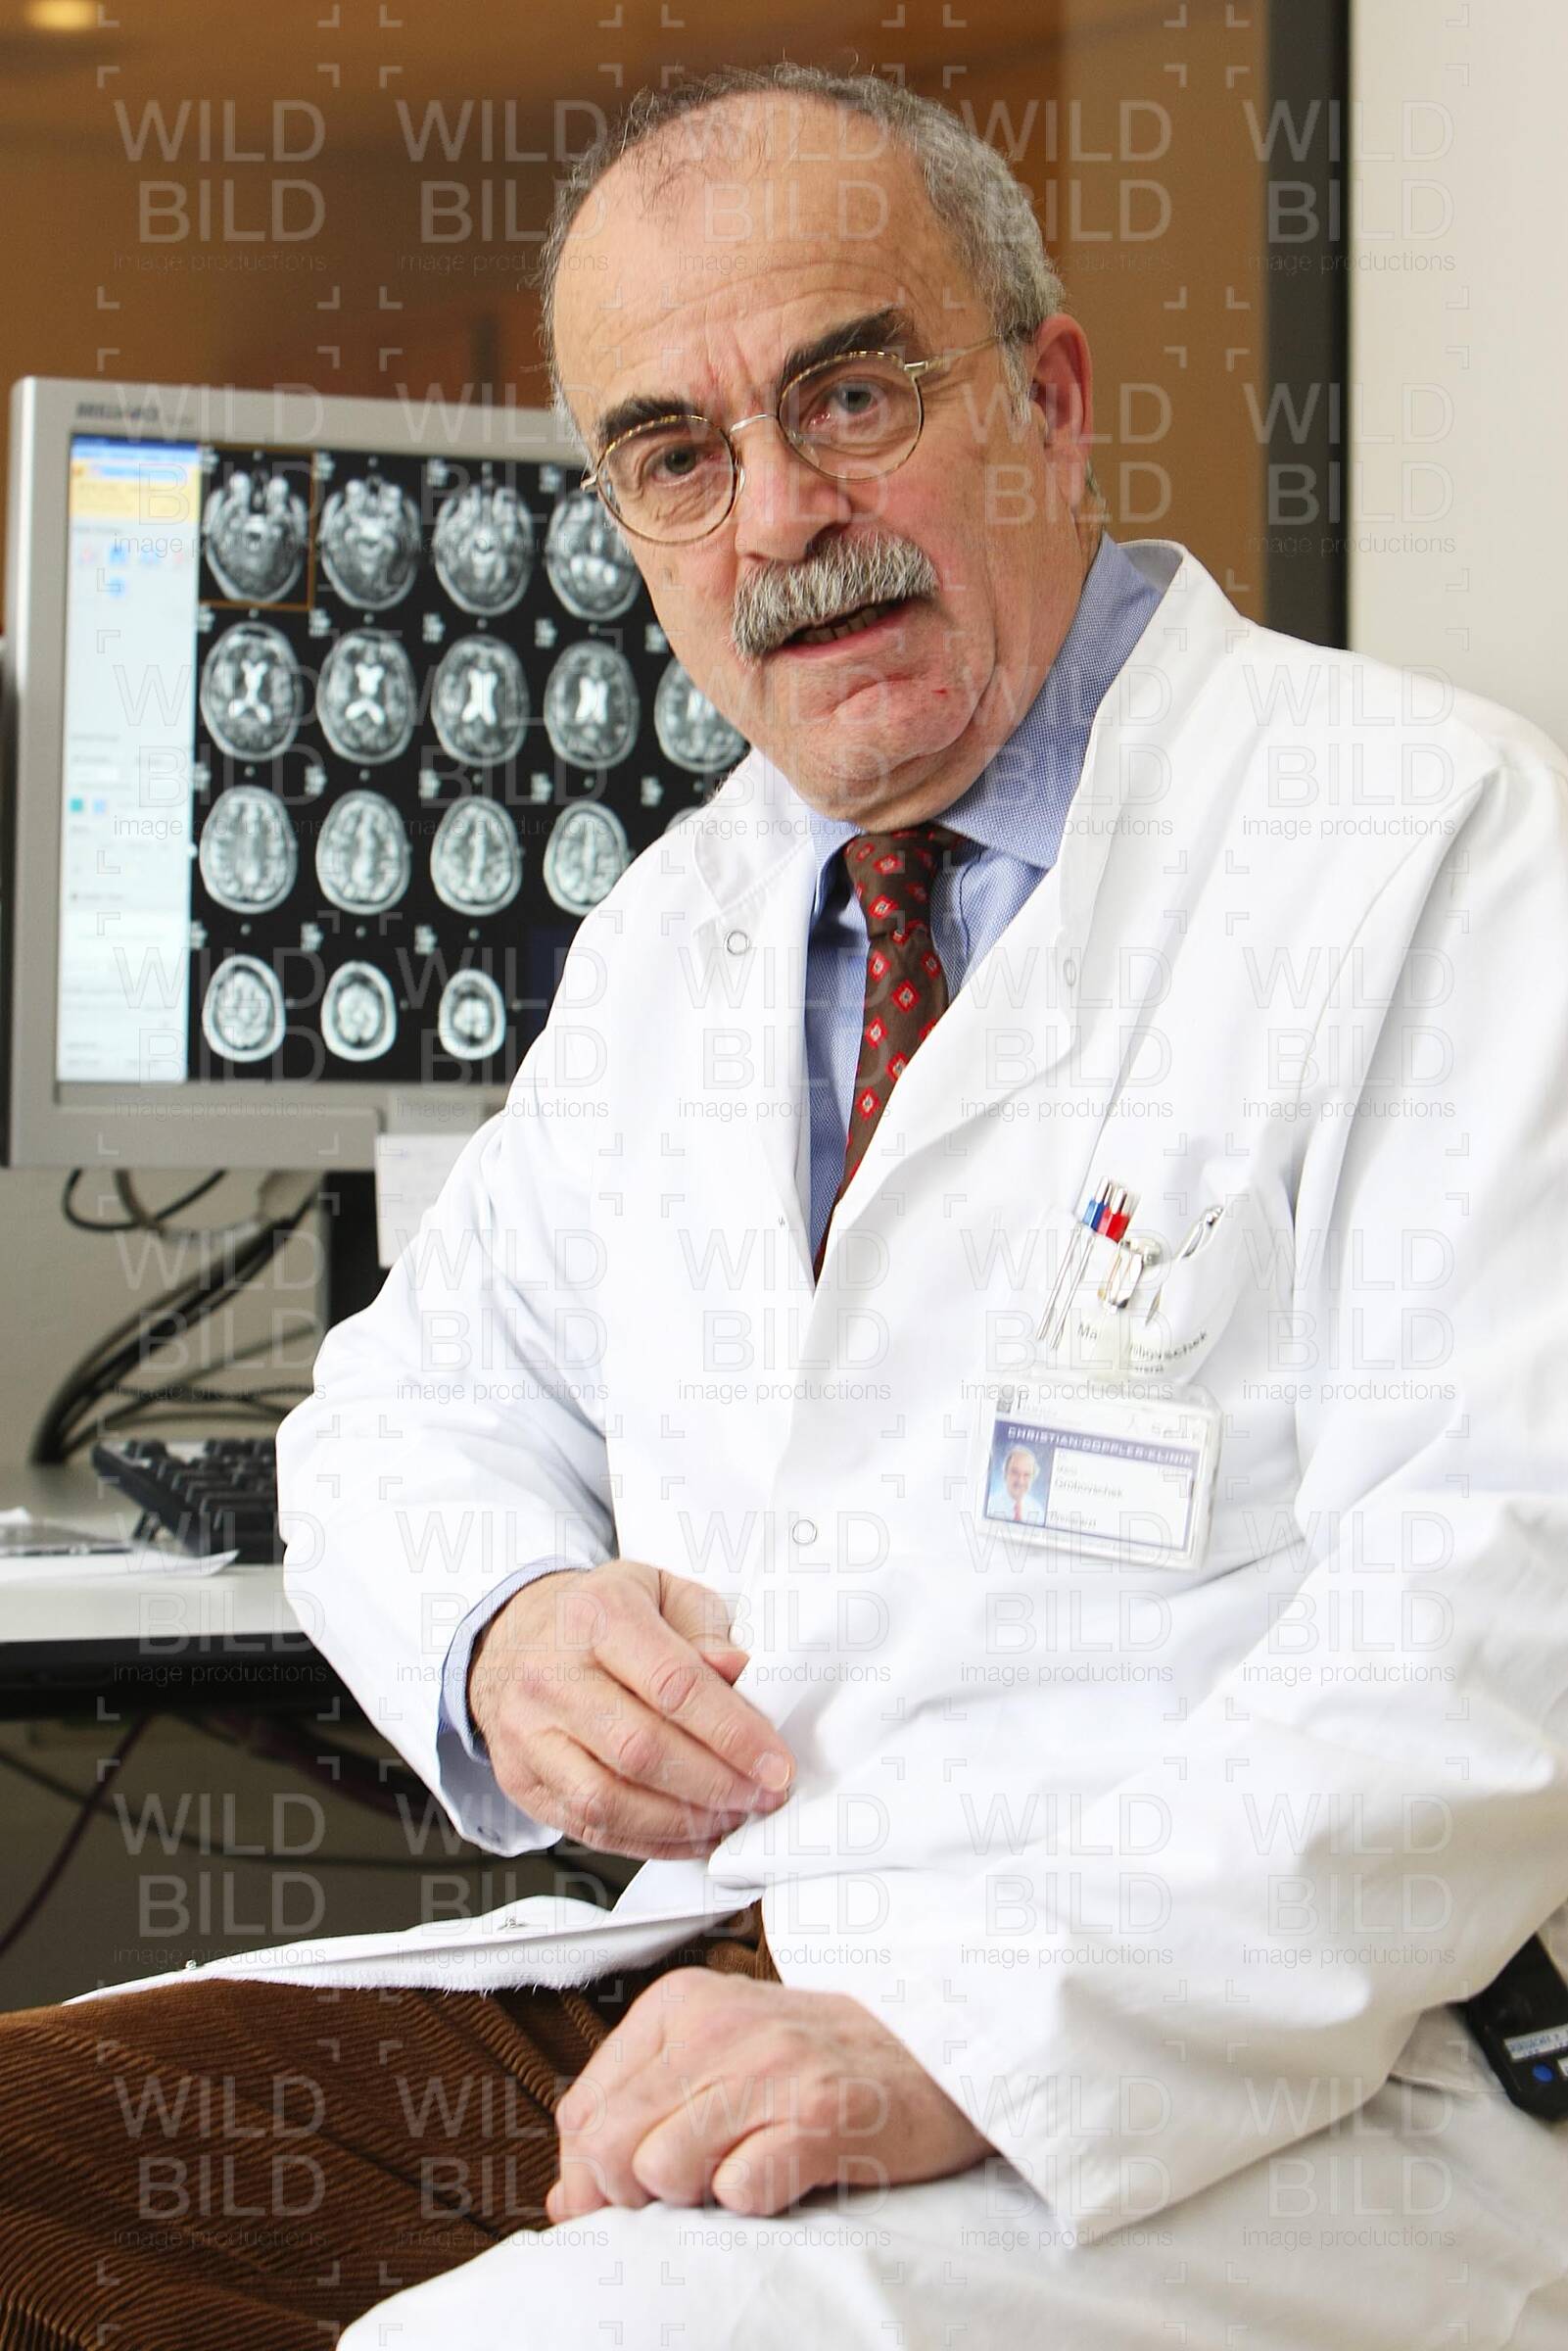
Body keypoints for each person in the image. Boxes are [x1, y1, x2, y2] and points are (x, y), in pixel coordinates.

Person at [4, 59, 1568, 2351]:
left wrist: (964, 2028)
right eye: (675, 455)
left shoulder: (1436, 848)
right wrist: (502, 1622)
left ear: (1049, 399)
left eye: (849, 395)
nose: (779, 521)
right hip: (711, 1973)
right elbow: (404, 1409)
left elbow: (1504, 1605)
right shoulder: (688, 930)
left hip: (1243, 2084)